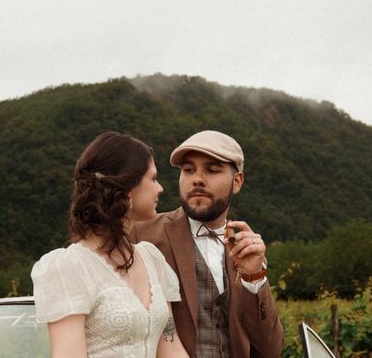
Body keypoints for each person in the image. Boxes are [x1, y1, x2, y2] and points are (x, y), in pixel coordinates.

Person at [31, 132, 189, 358]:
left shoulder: (152, 258)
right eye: (153, 179)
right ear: (126, 187)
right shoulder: (68, 267)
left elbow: (171, 348)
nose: (160, 188)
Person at [130, 130, 284, 357]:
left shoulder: (245, 248)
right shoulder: (142, 236)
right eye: (188, 170)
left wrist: (254, 278)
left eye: (212, 170)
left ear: (237, 181)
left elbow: (270, 350)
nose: (197, 179)